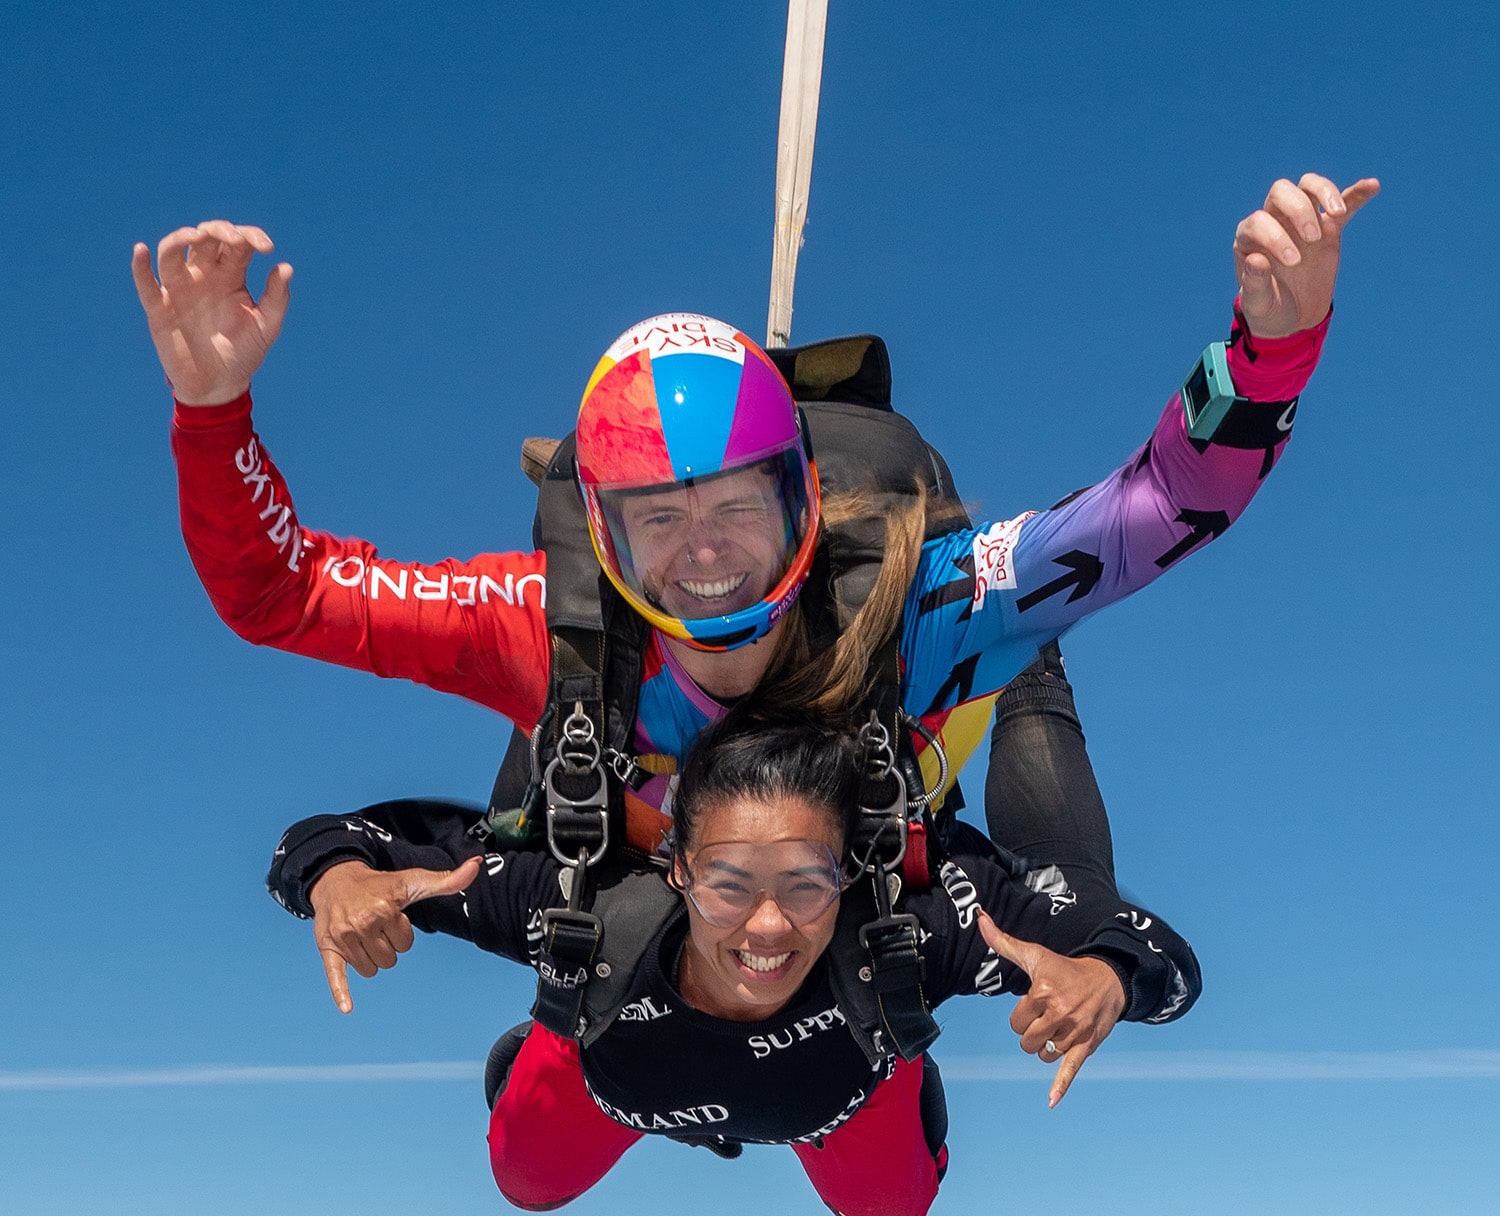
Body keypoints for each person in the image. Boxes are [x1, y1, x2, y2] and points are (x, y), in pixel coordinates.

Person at [131, 172, 1378, 870]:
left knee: (1046, 785)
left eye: (739, 504)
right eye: (659, 520)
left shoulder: (915, 598)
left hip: (915, 726)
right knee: (533, 1144)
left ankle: (1025, 666)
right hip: (665, 793)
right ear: (604, 543)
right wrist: (211, 408)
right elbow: (281, 597)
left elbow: (1162, 507)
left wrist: (1271, 351)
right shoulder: (541, 614)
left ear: (808, 499)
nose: (707, 547)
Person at [266, 716, 1199, 1216]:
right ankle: (545, 1046)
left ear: (848, 868)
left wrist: (1107, 977)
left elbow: (1154, 952)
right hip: (620, 1072)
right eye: (727, 884)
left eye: (807, 882)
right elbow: (331, 841)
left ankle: (1029, 680)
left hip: (837, 1082)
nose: (767, 925)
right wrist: (337, 883)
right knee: (523, 1180)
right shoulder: (580, 908)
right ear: (673, 866)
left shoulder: (905, 930)